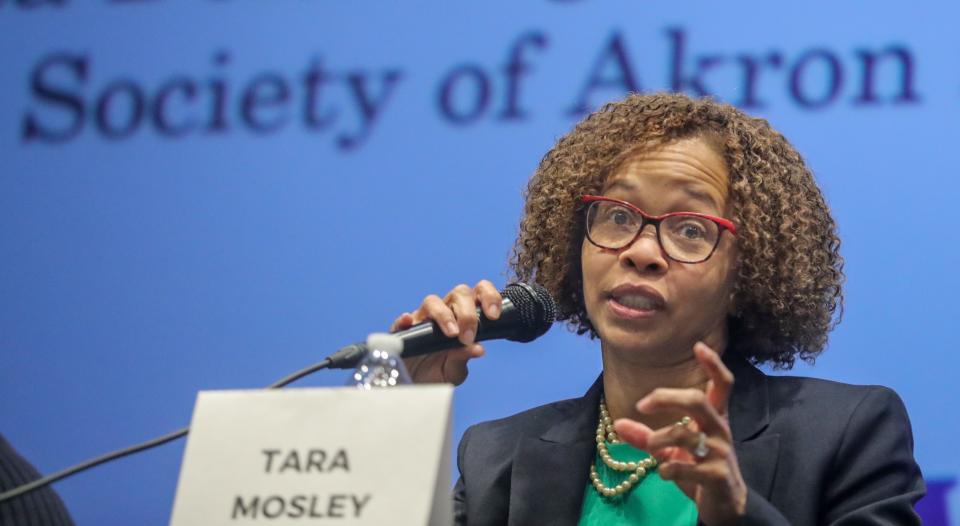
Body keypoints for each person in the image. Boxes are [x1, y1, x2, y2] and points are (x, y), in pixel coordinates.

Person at [391, 92, 925, 525]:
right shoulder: (497, 457)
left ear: (749, 271)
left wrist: (736, 515)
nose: (641, 252)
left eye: (691, 229)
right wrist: (411, 407)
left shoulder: (844, 433)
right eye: (618, 217)